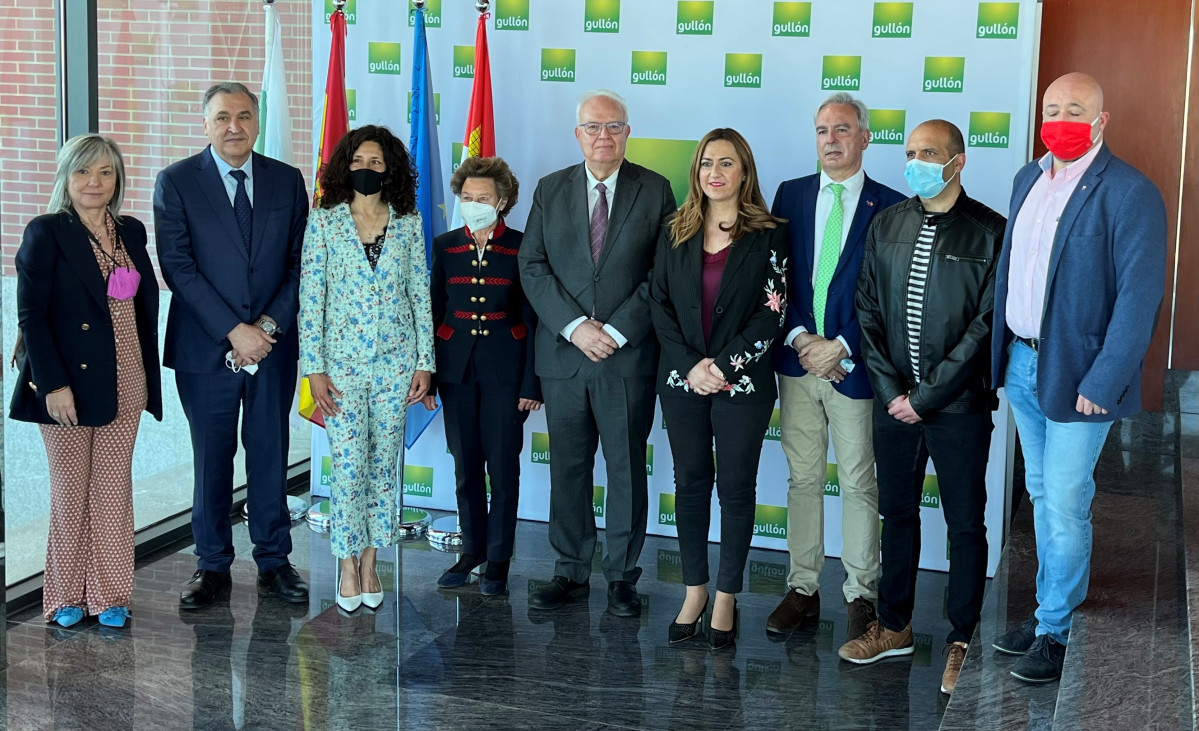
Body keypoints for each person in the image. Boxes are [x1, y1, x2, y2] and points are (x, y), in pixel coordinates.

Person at [990, 72, 1167, 684]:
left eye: (1075, 108)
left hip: (1080, 372)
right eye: (1051, 107)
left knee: (1065, 500)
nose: (1060, 116)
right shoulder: (1027, 179)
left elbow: (1139, 300)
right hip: (1022, 363)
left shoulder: (1129, 192)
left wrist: (1106, 377)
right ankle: (1048, 613)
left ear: (1101, 119)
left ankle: (1056, 632)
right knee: (1041, 495)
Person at [840, 120, 1004, 696]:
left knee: (964, 524)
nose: (916, 163)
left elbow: (985, 327)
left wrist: (928, 396)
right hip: (894, 405)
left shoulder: (989, 232)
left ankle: (962, 637)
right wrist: (892, 393)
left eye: (928, 154)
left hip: (956, 407)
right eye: (910, 153)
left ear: (957, 162)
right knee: (898, 514)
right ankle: (894, 625)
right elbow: (868, 312)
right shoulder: (887, 223)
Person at [518, 89, 676, 617]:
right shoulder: (549, 188)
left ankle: (623, 575)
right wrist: (575, 327)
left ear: (628, 132)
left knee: (627, 467)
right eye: (593, 127)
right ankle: (570, 570)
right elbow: (532, 265)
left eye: (614, 126)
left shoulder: (655, 191)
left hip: (626, 357)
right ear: (578, 133)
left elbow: (664, 274)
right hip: (564, 355)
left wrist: (614, 330)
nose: (603, 136)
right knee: (567, 466)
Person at [155, 82, 310, 610]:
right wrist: (233, 330)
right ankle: (211, 565)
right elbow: (177, 266)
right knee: (212, 458)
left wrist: (264, 328)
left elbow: (300, 264)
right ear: (205, 124)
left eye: (244, 116)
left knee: (270, 453)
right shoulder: (176, 182)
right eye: (222, 117)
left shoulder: (287, 181)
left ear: (257, 121)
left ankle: (274, 561)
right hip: (205, 350)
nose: (234, 126)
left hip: (272, 347)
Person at [9, 134, 162, 629]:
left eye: (105, 172)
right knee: (71, 491)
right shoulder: (47, 232)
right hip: (68, 387)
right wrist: (52, 385)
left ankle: (112, 594)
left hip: (128, 377)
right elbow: (31, 314)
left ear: (117, 179)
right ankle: (64, 595)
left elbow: (140, 309)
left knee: (114, 490)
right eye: (82, 172)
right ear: (66, 177)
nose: (94, 183)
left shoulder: (131, 232)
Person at [768, 93, 906, 641]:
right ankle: (802, 588)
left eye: (843, 129)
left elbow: (886, 296)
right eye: (823, 129)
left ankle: (860, 595)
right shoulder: (791, 195)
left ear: (865, 137)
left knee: (857, 483)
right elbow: (778, 278)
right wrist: (803, 338)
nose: (831, 139)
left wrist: (841, 346)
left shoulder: (891, 205)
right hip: (798, 361)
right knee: (803, 479)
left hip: (855, 368)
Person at [648, 128, 787, 649]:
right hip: (682, 380)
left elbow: (772, 313)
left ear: (744, 172)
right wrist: (692, 367)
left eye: (727, 163)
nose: (715, 172)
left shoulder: (769, 233)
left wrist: (723, 367)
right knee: (689, 483)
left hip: (744, 381)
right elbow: (658, 306)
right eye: (707, 162)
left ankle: (727, 595)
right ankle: (695, 591)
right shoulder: (674, 230)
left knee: (734, 487)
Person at [300, 125, 434, 613]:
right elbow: (310, 300)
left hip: (397, 366)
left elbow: (420, 293)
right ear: (344, 166)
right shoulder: (325, 222)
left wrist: (426, 364)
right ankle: (346, 563)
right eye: (359, 160)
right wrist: (312, 369)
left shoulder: (408, 221)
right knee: (350, 467)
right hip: (340, 369)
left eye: (376, 162)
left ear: (391, 168)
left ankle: (374, 560)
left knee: (383, 467)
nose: (367, 169)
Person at [423, 156, 540, 596]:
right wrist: (430, 377)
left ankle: (498, 559)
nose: (473, 205)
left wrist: (532, 383)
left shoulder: (524, 246)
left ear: (503, 200)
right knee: (465, 464)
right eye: (467, 198)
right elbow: (434, 311)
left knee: (503, 467)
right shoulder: (445, 244)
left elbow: (533, 320)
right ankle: (470, 550)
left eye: (483, 198)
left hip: (507, 373)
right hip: (456, 372)